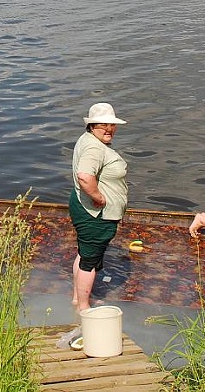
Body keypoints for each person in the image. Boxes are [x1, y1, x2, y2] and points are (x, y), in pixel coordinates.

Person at [69, 102, 129, 311]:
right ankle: (83, 309)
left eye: (112, 125)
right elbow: (85, 176)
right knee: (89, 261)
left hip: (84, 208)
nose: (109, 129)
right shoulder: (94, 147)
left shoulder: (87, 140)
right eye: (103, 125)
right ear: (92, 126)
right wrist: (99, 197)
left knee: (85, 253)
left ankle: (78, 298)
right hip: (94, 214)